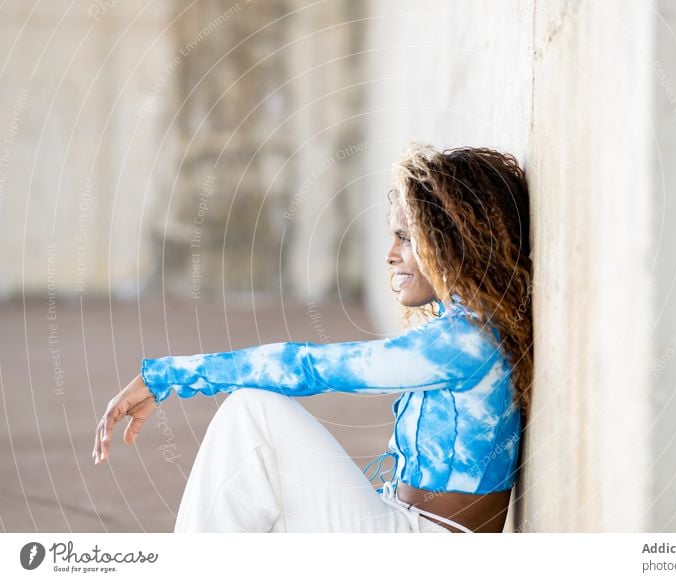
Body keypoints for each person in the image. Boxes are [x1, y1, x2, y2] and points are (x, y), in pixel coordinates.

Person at [92, 143, 532, 533]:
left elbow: (308, 367)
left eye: (406, 237)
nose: (390, 253)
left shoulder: (464, 345)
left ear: (452, 243)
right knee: (265, 500)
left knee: (253, 416)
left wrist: (165, 377)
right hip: (399, 524)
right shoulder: (469, 332)